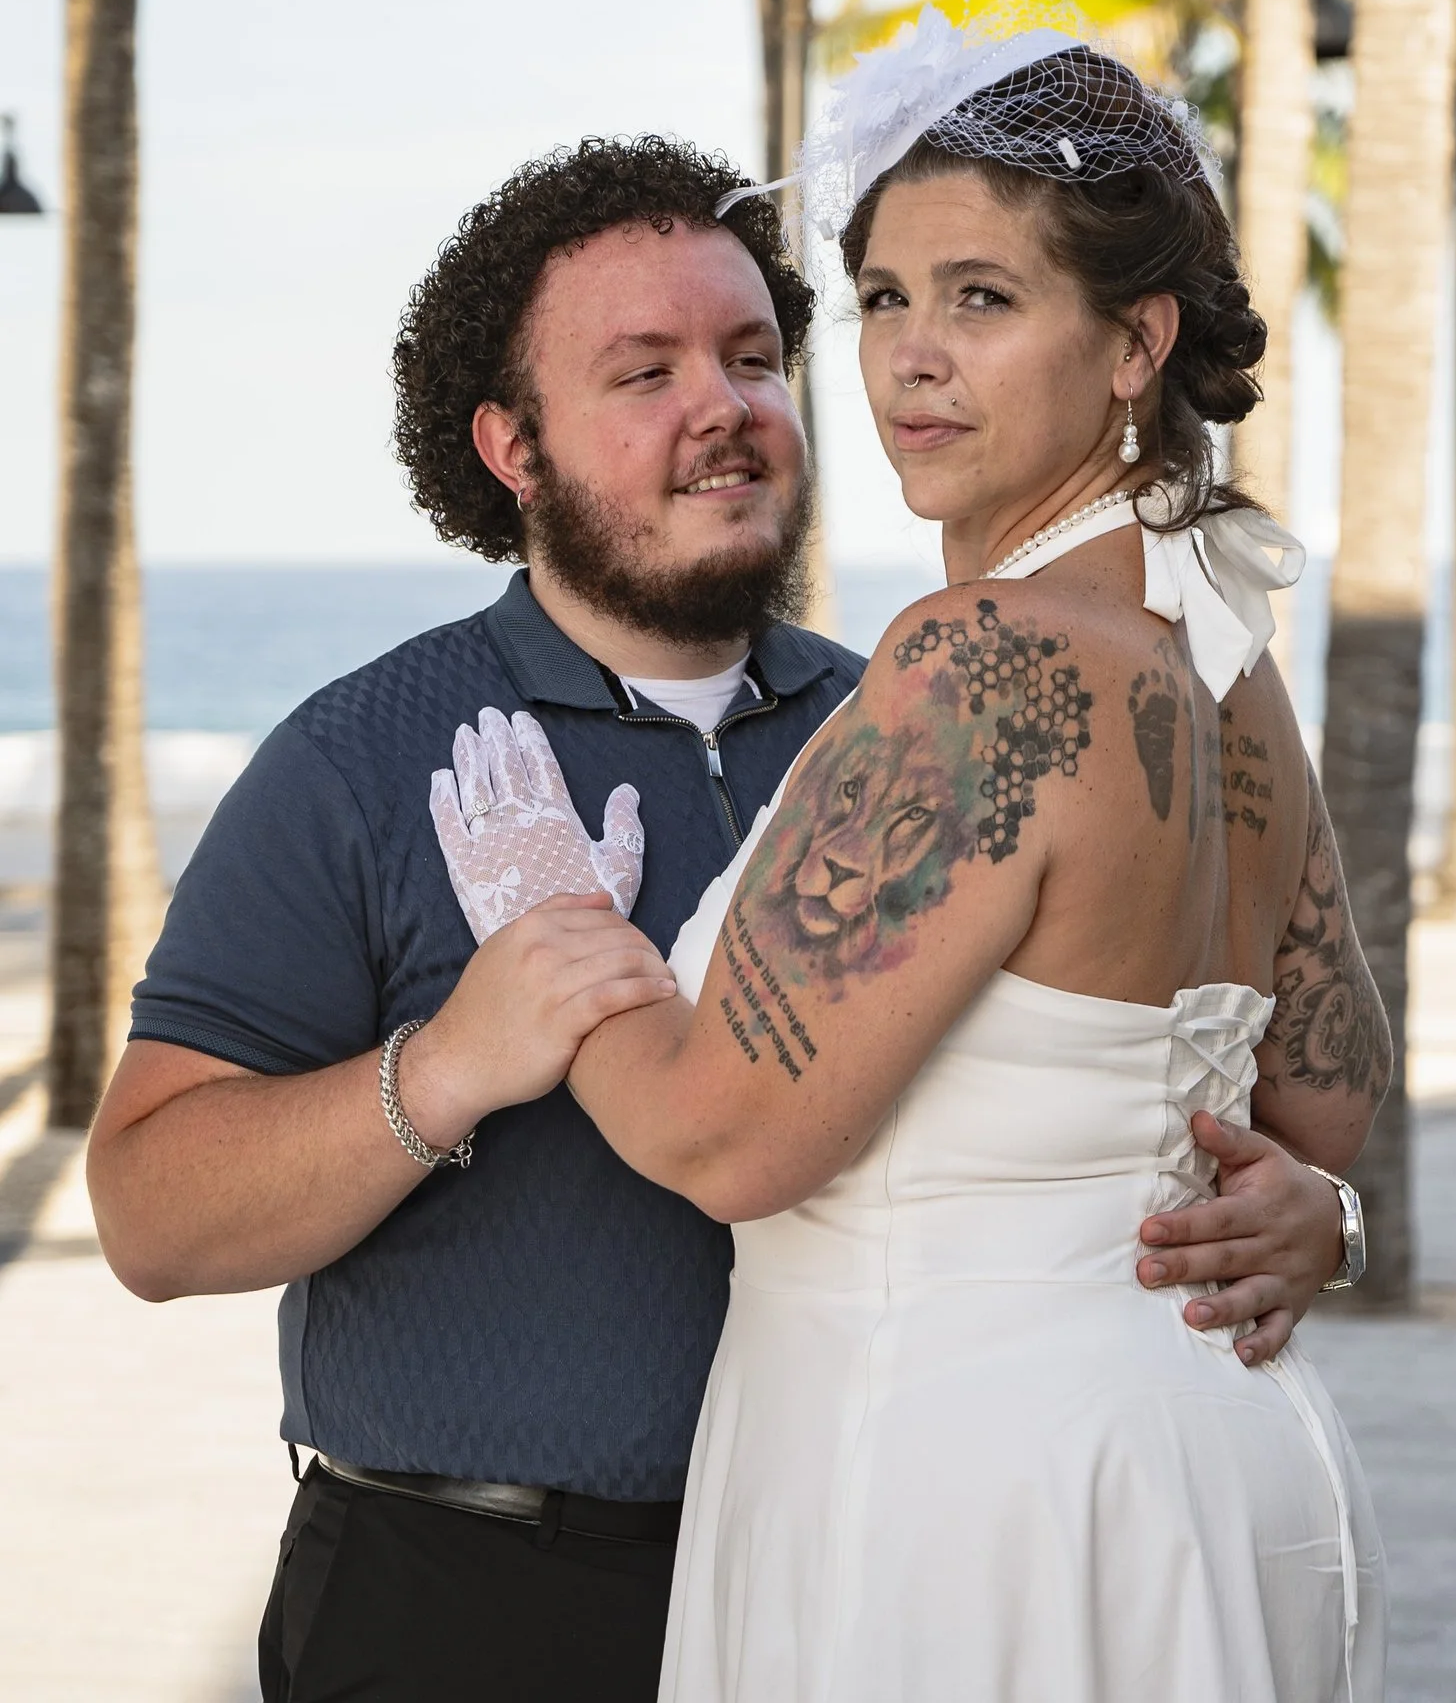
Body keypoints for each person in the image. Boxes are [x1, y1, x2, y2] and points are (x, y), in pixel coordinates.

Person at [80, 133, 1355, 1703]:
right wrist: (449, 1070)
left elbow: (1199, 1052)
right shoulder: (364, 759)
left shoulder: (903, 720)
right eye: (642, 373)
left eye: (754, 355)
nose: (724, 407)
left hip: (863, 1558)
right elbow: (146, 1209)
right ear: (510, 446)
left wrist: (1301, 1203)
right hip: (472, 1607)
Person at [437, 12, 1395, 1700]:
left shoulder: (988, 660)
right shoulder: (1224, 660)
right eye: (884, 296)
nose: (910, 359)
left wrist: (550, 922)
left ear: (1131, 344)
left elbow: (723, 1136)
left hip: (972, 1497)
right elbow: (1325, 1111)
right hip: (1209, 1464)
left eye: (984, 297)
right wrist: (1324, 1219)